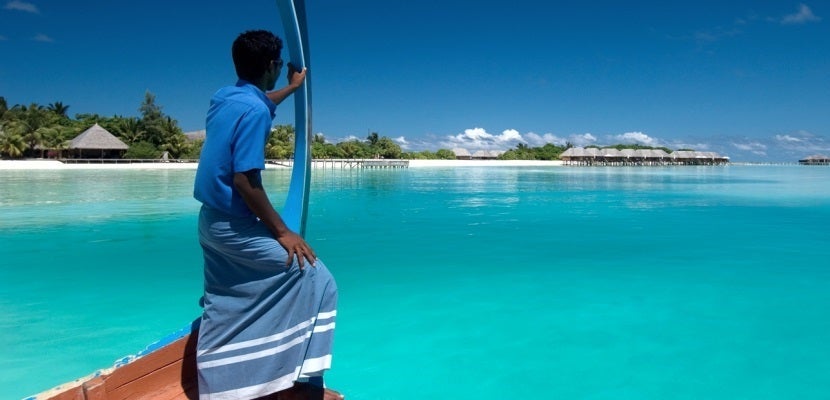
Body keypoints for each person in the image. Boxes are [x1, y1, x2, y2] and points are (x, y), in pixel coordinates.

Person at [193, 30, 341, 400]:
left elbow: (261, 100)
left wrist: (291, 88)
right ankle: (296, 378)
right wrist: (282, 232)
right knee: (317, 279)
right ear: (272, 65)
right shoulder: (254, 109)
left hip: (210, 222)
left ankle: (220, 382)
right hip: (235, 227)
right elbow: (244, 180)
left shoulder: (225, 97)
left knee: (224, 298)